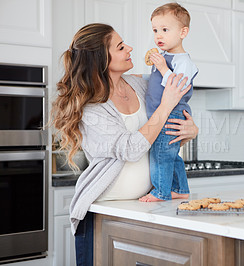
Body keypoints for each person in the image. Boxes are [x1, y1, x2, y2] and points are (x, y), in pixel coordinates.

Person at [51, 23, 198, 266]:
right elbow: (130, 148)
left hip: (145, 208)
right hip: (104, 213)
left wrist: (190, 130)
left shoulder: (140, 85)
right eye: (120, 47)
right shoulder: (93, 106)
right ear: (101, 59)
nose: (129, 48)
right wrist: (166, 106)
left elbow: (170, 119)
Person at [139, 3, 198, 202]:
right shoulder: (165, 57)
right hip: (162, 113)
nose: (158, 36)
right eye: (155, 30)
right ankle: (180, 189)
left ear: (183, 32)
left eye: (165, 30)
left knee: (160, 155)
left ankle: (161, 191)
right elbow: (157, 81)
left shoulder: (183, 61)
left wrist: (163, 67)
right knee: (171, 155)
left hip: (171, 114)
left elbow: (177, 86)